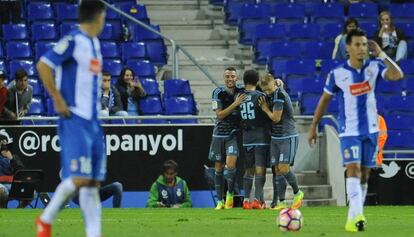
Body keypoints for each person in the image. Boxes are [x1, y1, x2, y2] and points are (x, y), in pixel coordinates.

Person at [307, 28, 403, 232]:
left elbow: (397, 75)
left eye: (363, 45)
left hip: (371, 130)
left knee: (365, 175)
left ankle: (352, 218)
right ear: (348, 48)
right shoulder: (337, 74)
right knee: (353, 168)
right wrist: (314, 126)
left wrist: (382, 55)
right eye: (357, 45)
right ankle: (359, 215)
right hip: (349, 130)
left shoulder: (374, 67)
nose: (361, 49)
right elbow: (324, 101)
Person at [35, 1, 107, 237]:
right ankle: (45, 219)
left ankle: (93, 234)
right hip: (74, 117)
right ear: (98, 16)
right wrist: (56, 98)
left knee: (93, 183)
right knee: (78, 178)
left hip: (94, 122)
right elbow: (44, 65)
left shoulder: (95, 43)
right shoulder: (73, 40)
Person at [259, 74, 304, 211]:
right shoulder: (273, 91)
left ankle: (298, 193)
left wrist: (265, 108)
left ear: (273, 84)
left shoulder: (279, 95)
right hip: (275, 138)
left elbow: (276, 118)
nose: (267, 92)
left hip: (287, 136)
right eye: (265, 90)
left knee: (284, 168)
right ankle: (282, 202)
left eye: (269, 89)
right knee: (277, 171)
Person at [208, 67, 245, 210]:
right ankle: (219, 201)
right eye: (227, 76)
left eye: (233, 76)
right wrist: (235, 104)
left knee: (231, 166)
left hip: (233, 135)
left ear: (237, 78)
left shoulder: (242, 91)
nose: (230, 79)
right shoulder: (217, 92)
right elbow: (220, 115)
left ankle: (230, 195)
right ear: (224, 78)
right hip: (218, 135)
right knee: (218, 167)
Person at [237, 69, 270, 209]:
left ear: (244, 81)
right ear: (257, 81)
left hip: (246, 137)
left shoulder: (239, 96)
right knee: (260, 170)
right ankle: (256, 200)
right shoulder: (260, 96)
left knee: (248, 170)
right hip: (260, 136)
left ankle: (245, 200)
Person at [0, 130, 24, 208]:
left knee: (31, 192)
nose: (3, 145)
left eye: (4, 143)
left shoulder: (13, 157)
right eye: (1, 143)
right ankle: (3, 208)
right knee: (2, 192)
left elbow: (21, 171)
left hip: (11, 184)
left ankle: (19, 210)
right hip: (1, 185)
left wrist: (11, 159)